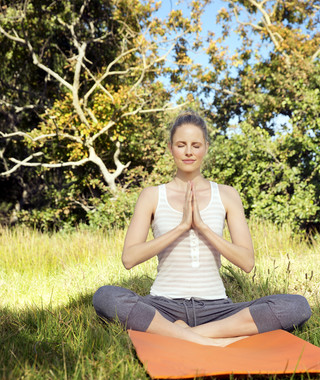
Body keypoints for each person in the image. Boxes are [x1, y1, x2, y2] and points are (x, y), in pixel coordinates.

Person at [93, 111, 311, 346]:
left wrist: (202, 227)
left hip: (217, 309)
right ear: (170, 148)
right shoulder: (152, 196)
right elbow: (129, 258)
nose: (188, 152)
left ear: (206, 147)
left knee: (296, 306)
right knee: (106, 296)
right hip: (163, 306)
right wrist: (182, 227)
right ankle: (215, 340)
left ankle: (188, 334)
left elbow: (247, 263)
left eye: (196, 145)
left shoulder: (227, 195)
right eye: (181, 145)